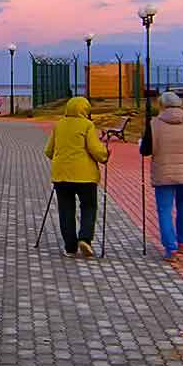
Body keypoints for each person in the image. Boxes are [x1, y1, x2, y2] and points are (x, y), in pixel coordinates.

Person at [140, 91, 183, 262]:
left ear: (162, 105)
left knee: (165, 211)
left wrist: (142, 143)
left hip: (164, 175)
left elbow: (145, 150)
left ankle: (171, 248)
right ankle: (182, 242)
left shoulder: (154, 124)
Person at [43, 97, 109, 258]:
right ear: (85, 110)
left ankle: (70, 247)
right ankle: (85, 238)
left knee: (66, 210)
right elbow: (95, 150)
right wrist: (105, 155)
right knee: (88, 207)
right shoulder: (87, 125)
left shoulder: (59, 125)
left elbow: (49, 151)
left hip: (61, 176)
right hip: (85, 176)